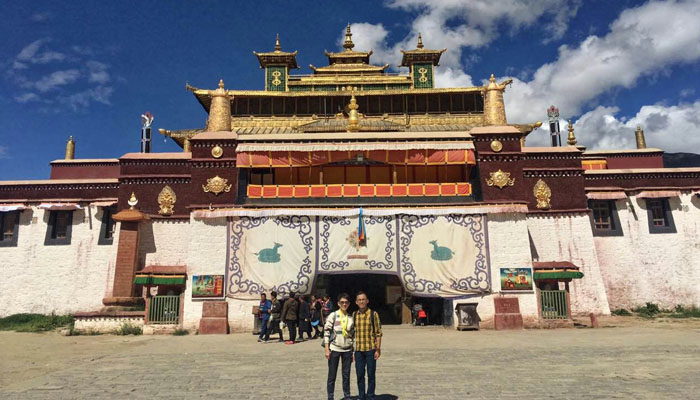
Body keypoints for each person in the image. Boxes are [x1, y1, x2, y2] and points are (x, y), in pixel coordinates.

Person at [324, 293, 355, 400]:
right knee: (332, 375)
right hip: (334, 349)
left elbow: (353, 336)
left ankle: (347, 396)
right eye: (342, 302)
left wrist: (353, 352)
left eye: (346, 302)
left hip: (347, 350)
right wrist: (327, 349)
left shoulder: (351, 318)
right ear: (338, 303)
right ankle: (330, 397)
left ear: (349, 304)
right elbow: (327, 332)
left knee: (346, 375)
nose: (344, 304)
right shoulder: (333, 315)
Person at [353, 291, 382, 400]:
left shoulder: (373, 314)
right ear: (356, 302)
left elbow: (378, 333)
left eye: (363, 299)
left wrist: (378, 349)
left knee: (371, 375)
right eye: (359, 300)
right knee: (360, 375)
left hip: (370, 349)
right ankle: (361, 396)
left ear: (367, 301)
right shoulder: (354, 315)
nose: (361, 301)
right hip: (359, 350)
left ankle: (370, 396)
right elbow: (351, 334)